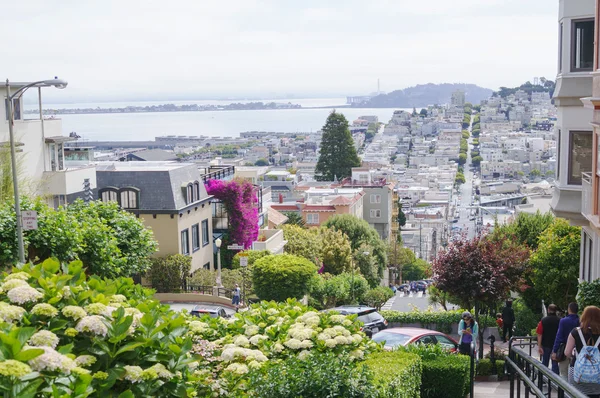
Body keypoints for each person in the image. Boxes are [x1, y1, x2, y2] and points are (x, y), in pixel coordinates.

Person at [565, 306, 600, 394]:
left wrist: (575, 355)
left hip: (577, 373)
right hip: (598, 374)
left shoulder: (576, 332)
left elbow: (567, 353)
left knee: (577, 394)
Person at [552, 302, 580, 379]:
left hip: (564, 349)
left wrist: (555, 351)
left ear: (569, 309)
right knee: (575, 373)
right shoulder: (580, 321)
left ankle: (564, 390)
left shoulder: (563, 321)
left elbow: (559, 337)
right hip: (577, 350)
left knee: (564, 372)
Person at [536, 304, 560, 374]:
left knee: (545, 362)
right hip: (556, 345)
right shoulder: (560, 320)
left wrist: (539, 346)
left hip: (545, 344)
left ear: (548, 310)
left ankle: (543, 379)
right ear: (556, 311)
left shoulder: (543, 320)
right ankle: (556, 381)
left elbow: (539, 334)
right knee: (555, 363)